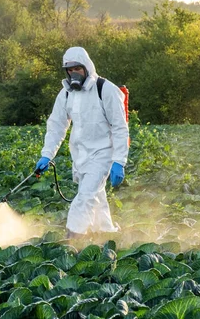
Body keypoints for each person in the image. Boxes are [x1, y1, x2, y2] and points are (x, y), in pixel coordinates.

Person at [34, 46, 129, 239]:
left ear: (86, 67)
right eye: (69, 70)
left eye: (77, 68)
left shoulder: (106, 90)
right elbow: (57, 125)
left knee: (85, 197)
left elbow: (120, 127)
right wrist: (47, 154)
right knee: (96, 197)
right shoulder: (66, 94)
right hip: (80, 156)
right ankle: (107, 233)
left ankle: (73, 239)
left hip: (103, 154)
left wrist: (119, 160)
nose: (73, 73)